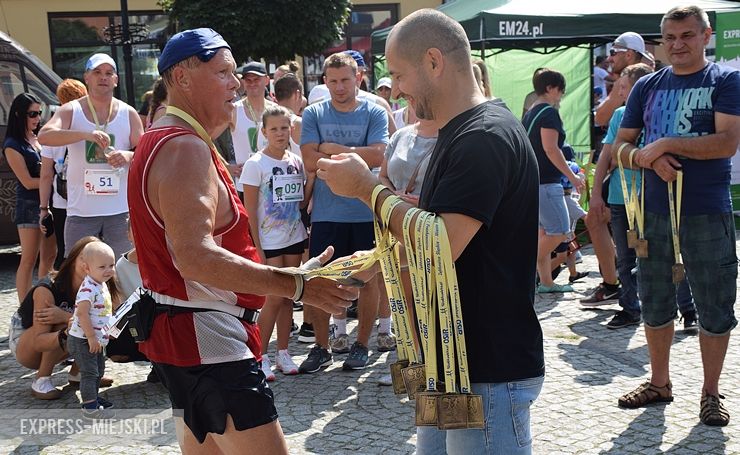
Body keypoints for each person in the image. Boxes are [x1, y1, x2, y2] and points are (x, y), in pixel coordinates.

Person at [317, 9, 545, 454]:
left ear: (434, 62)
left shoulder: (484, 137)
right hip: (451, 363)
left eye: (399, 75)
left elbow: (440, 242)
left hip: (487, 369)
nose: (396, 89)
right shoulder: (459, 133)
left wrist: (368, 191)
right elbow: (427, 225)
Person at [128, 28, 355, 453]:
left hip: (189, 332)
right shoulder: (183, 147)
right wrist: (298, 285)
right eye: (224, 73)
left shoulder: (164, 139)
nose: (236, 84)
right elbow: (193, 256)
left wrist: (290, 276)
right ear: (182, 77)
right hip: (206, 334)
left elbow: (151, 239)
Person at [614, 6, 739, 427]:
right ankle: (660, 383)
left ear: (706, 36)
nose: (677, 45)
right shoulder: (646, 86)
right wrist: (649, 160)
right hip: (652, 214)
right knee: (654, 298)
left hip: (706, 211)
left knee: (714, 303)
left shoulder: (725, 80)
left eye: (686, 36)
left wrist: (666, 143)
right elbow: (620, 149)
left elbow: (725, 144)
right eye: (669, 37)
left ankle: (710, 392)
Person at [299, 51, 388, 374]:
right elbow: (309, 160)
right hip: (327, 211)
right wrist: (354, 155)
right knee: (320, 277)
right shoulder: (314, 113)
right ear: (325, 82)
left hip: (365, 209)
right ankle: (321, 347)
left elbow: (378, 156)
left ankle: (362, 344)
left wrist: (332, 148)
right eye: (333, 81)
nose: (339, 87)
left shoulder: (375, 111)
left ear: (358, 79)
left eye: (345, 80)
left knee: (368, 280)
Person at [38, 53, 143, 259]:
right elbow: (44, 136)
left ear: (116, 80)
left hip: (120, 211)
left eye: (108, 73)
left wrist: (128, 156)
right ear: (87, 77)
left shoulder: (128, 112)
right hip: (81, 211)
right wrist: (86, 135)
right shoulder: (71, 110)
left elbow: (145, 151)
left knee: (120, 272)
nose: (103, 77)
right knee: (77, 271)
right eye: (97, 72)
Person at [240, 106, 310, 379]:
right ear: (264, 132)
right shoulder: (255, 164)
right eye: (274, 129)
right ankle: (261, 355)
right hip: (269, 241)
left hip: (293, 237)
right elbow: (250, 211)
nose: (280, 133)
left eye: (284, 128)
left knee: (289, 298)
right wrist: (256, 247)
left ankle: (283, 352)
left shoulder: (295, 161)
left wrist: (313, 179)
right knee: (271, 299)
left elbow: (300, 201)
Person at [9, 236, 102, 400]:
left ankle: (79, 373)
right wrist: (67, 323)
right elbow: (39, 340)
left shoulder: (99, 288)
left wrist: (66, 316)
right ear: (73, 260)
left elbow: (102, 322)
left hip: (59, 336)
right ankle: (41, 380)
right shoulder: (48, 288)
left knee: (96, 324)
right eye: (84, 258)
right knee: (66, 325)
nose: (89, 264)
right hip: (27, 341)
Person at [522, 69, 585, 293]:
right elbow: (551, 149)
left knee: (544, 233)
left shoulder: (530, 112)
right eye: (560, 90)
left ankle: (546, 282)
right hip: (547, 183)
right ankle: (521, 271)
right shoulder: (548, 113)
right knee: (559, 232)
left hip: (534, 183)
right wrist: (573, 177)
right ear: (550, 88)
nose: (561, 95)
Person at [3, 93, 57, 302]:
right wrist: (51, 179)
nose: (37, 118)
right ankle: (24, 308)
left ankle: (44, 301)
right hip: (28, 205)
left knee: (50, 256)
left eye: (39, 113)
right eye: (32, 114)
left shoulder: (38, 137)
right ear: (19, 114)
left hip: (47, 202)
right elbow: (26, 181)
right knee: (28, 259)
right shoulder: (12, 144)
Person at [39, 79, 88, 270]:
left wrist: (44, 208)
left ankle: (65, 296)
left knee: (65, 254)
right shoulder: (91, 126)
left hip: (62, 202)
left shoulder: (53, 131)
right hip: (89, 199)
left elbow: (46, 174)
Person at [66, 241, 119, 419]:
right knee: (90, 372)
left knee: (99, 369)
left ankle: (94, 398)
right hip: (83, 339)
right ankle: (89, 406)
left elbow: (103, 312)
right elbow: (82, 313)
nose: (108, 270)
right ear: (87, 268)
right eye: (102, 266)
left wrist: (107, 331)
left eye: (111, 265)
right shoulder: (88, 288)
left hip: (96, 338)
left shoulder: (101, 284)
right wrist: (91, 337)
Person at [229, 61, 276, 186]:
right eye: (248, 80)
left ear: (266, 80)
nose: (252, 83)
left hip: (273, 183)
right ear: (243, 82)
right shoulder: (234, 110)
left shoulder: (276, 110)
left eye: (256, 79)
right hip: (245, 185)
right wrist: (226, 166)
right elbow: (208, 138)